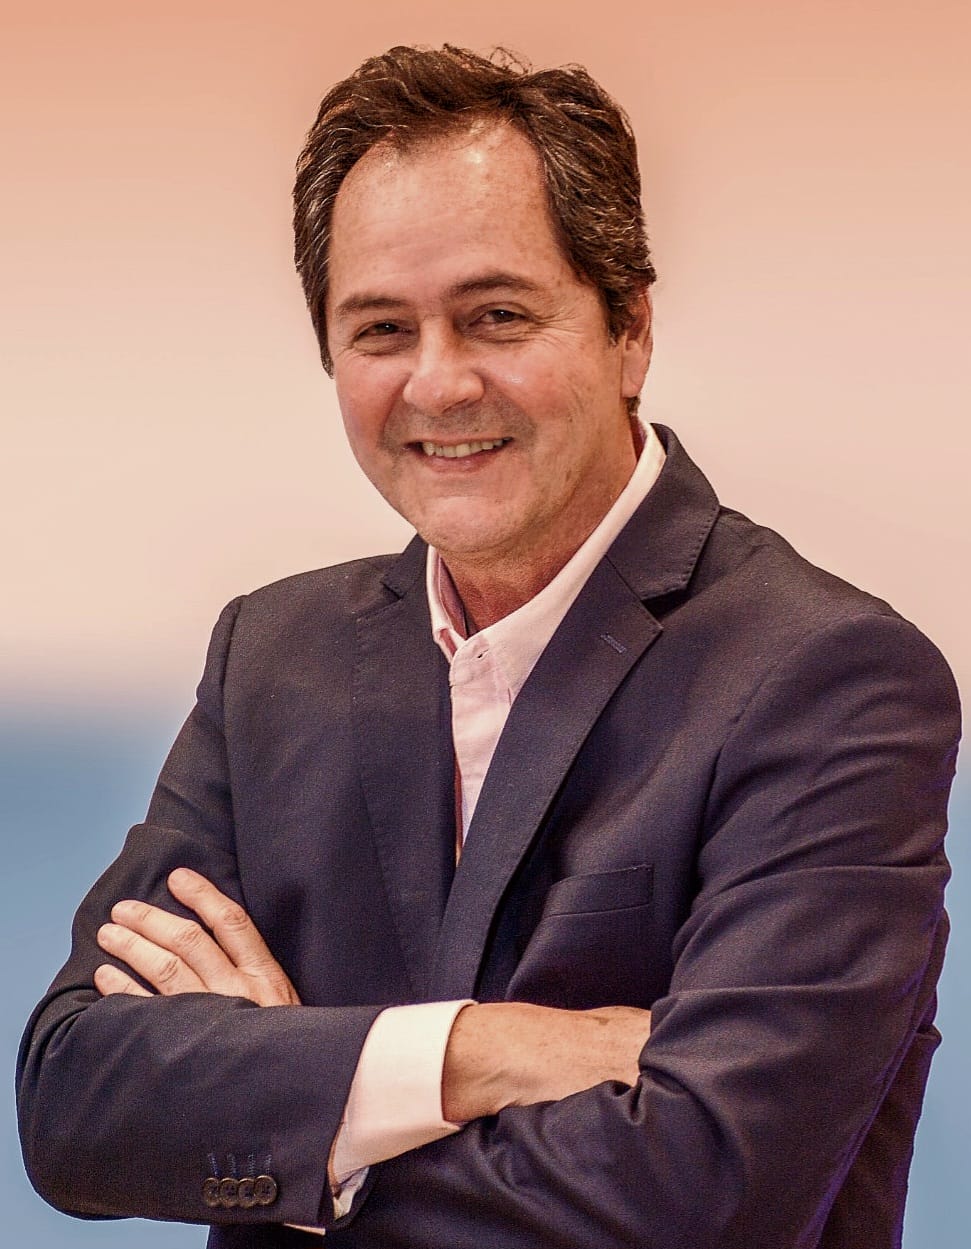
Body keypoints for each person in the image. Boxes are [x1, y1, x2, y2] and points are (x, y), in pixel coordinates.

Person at [17, 44, 961, 1249]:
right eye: (380, 328)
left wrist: (295, 1120)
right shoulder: (271, 658)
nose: (438, 382)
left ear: (629, 327)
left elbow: (703, 1195)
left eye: (496, 316)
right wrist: (480, 1051)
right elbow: (74, 1101)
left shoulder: (828, 680)